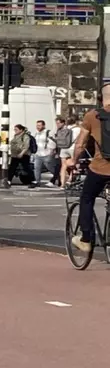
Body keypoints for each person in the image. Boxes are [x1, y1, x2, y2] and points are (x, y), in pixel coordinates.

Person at [70, 84, 110, 253]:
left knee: (86, 198)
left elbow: (80, 144)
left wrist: (73, 161)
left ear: (101, 98)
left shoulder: (92, 116)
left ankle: (86, 238)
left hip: (101, 168)